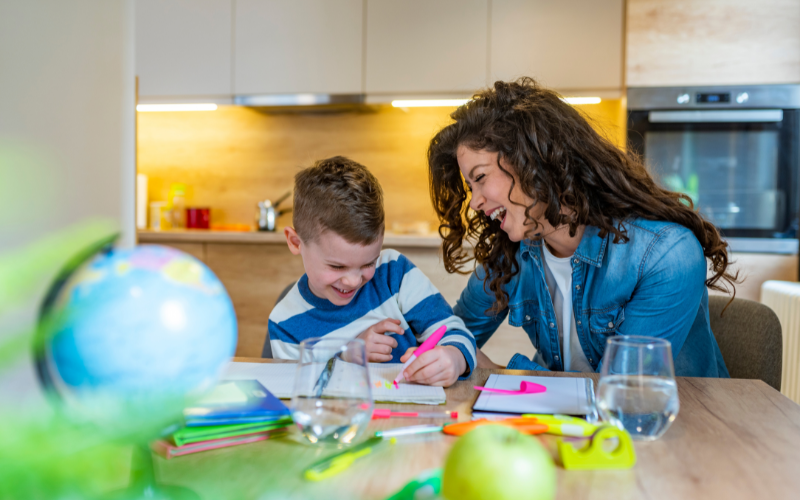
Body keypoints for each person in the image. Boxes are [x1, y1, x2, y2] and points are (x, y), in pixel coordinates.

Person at [427, 77, 734, 377]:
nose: (474, 203)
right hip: (564, 425)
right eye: (470, 187)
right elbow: (449, 336)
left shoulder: (665, 255)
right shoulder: (511, 254)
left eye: (480, 178)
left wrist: (497, 372)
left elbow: (621, 394)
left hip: (675, 426)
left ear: (531, 161)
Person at [268, 156, 476, 387]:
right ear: (296, 242)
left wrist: (454, 359)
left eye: (368, 263)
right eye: (337, 266)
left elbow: (455, 332)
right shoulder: (284, 323)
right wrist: (349, 355)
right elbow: (299, 392)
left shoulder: (393, 273)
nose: (354, 280)